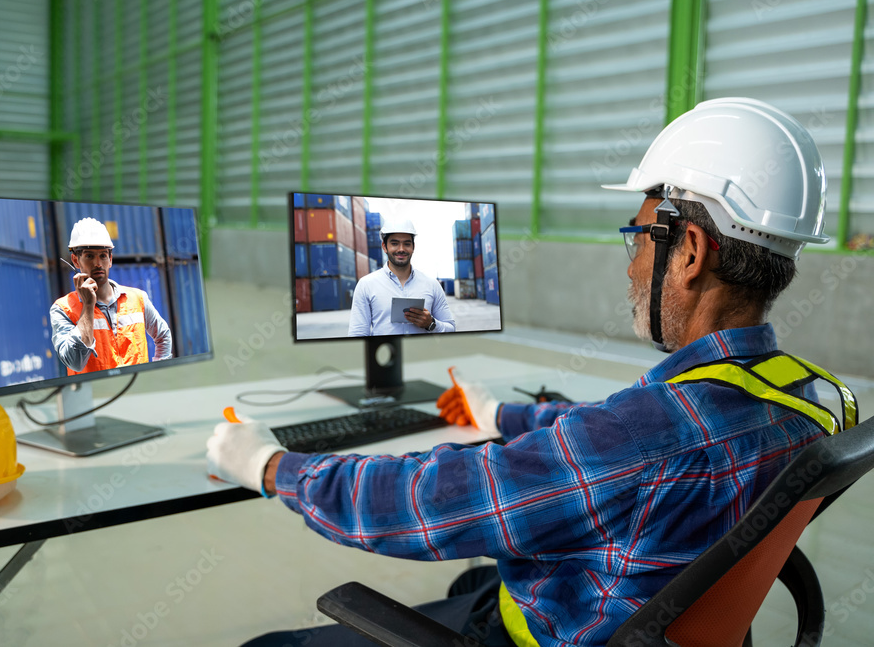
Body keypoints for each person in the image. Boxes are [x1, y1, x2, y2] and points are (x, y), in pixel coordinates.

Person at [207, 98, 857, 647]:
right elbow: (608, 441)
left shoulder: (648, 438)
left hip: (555, 630)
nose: (630, 263)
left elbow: (428, 503)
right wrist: (502, 417)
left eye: (637, 238)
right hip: (649, 608)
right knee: (474, 581)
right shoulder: (820, 400)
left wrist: (270, 466)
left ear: (687, 251)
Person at [50, 217, 172, 375]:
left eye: (103, 255)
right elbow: (75, 362)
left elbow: (163, 335)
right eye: (89, 256)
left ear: (110, 259)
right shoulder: (62, 309)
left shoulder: (137, 298)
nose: (98, 263)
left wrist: (159, 373)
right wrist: (87, 306)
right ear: (76, 260)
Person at [348, 218, 457, 336]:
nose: (401, 249)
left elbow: (451, 328)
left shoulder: (432, 285)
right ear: (384, 247)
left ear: (413, 247)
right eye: (394, 243)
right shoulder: (366, 285)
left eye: (407, 244)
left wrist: (431, 324)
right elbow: (357, 335)